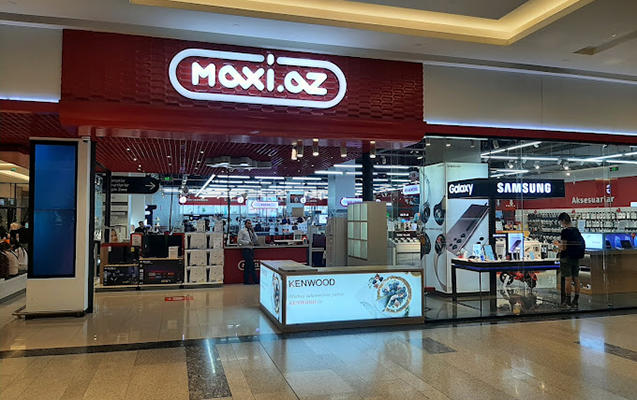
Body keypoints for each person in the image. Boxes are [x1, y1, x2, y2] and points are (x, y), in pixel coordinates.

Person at [554, 212, 584, 307]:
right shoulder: (576, 230)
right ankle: (576, 299)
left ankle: (567, 300)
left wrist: (557, 244)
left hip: (566, 258)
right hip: (576, 257)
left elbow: (564, 247)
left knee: (568, 279)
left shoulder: (565, 232)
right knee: (576, 278)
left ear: (563, 221)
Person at [238, 220, 259, 285]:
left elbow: (256, 239)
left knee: (247, 265)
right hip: (246, 249)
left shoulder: (250, 232)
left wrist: (253, 232)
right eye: (248, 223)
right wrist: (247, 243)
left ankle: (246, 280)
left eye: (250, 223)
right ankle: (255, 280)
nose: (250, 225)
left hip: (251, 249)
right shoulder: (242, 231)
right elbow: (239, 240)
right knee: (251, 265)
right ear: (245, 224)